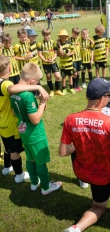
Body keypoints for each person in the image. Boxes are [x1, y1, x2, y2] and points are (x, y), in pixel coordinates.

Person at [59, 78, 110, 232]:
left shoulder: (70, 119)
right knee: (98, 206)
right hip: (101, 177)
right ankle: (76, 228)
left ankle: (83, 183)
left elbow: (63, 152)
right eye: (109, 95)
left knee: (78, 146)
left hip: (81, 172)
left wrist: (79, 143)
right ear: (102, 98)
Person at [10, 62, 62, 194]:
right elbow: (35, 119)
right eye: (37, 82)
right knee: (40, 161)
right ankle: (45, 187)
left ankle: (34, 183)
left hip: (23, 130)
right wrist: (42, 103)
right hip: (35, 134)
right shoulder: (27, 96)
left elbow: (13, 112)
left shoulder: (14, 92)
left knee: (30, 158)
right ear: (32, 81)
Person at [0, 56, 48, 184]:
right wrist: (38, 88)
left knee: (7, 147)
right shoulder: (6, 84)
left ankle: (6, 167)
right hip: (10, 124)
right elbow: (12, 89)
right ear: (9, 68)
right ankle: (19, 175)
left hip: (2, 123)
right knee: (15, 150)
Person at [37, 28, 64, 97]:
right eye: (45, 35)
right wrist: (44, 60)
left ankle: (57, 90)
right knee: (48, 77)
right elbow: (39, 54)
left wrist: (53, 59)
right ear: (43, 35)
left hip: (53, 62)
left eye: (48, 35)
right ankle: (51, 90)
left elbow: (55, 53)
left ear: (50, 34)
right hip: (45, 63)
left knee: (58, 76)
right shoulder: (40, 43)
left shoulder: (53, 42)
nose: (46, 36)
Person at [57, 28, 75, 95]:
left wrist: (68, 54)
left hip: (69, 64)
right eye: (62, 36)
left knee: (70, 76)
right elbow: (57, 54)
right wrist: (60, 55)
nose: (63, 38)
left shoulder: (70, 43)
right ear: (60, 37)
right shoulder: (58, 44)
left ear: (67, 37)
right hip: (63, 64)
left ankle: (71, 88)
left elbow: (73, 52)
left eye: (64, 36)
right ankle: (64, 89)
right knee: (63, 77)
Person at [70, 27, 82, 91]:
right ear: (72, 33)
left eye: (77, 34)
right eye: (75, 34)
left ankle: (77, 85)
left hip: (79, 59)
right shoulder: (69, 39)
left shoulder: (79, 39)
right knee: (74, 73)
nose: (77, 35)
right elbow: (58, 40)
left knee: (78, 72)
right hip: (73, 59)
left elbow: (86, 37)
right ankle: (74, 86)